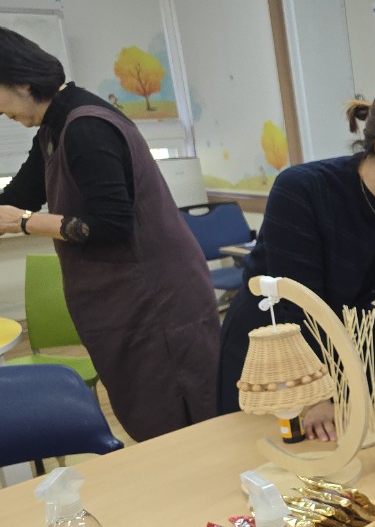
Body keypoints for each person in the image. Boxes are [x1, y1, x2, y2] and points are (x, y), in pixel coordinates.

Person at [217, 74, 375, 438]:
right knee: (273, 460)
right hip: (280, 347)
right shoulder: (303, 190)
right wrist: (315, 396)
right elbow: (298, 305)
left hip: (353, 340)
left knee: (365, 457)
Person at [0, 28, 218, 442]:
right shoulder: (52, 127)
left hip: (157, 301)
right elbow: (16, 195)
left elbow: (111, 225)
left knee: (178, 422)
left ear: (23, 82)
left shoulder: (86, 127)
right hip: (124, 297)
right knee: (148, 415)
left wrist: (25, 222)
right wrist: (13, 212)